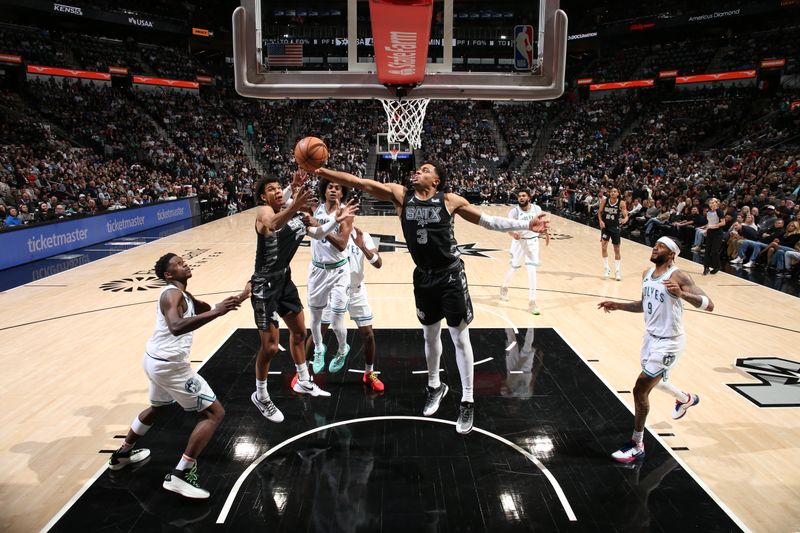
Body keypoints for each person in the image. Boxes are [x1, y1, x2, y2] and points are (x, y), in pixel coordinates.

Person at [313, 162, 549, 434]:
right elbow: (358, 182)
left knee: (460, 338)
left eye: (425, 169)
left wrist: (527, 223)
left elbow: (489, 221)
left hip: (450, 276)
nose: (418, 171)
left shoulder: (449, 201)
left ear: (436, 181)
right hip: (423, 277)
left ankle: (468, 400)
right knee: (429, 336)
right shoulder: (400, 195)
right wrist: (323, 172)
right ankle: (435, 386)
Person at [107, 253, 247, 499]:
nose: (185, 263)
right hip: (171, 367)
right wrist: (216, 313)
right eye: (179, 263)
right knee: (214, 413)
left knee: (157, 407)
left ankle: (122, 454)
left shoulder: (184, 294)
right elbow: (176, 326)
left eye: (184, 260)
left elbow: (212, 308)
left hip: (154, 360)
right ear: (168, 275)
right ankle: (180, 474)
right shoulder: (172, 294)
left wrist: (244, 295)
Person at [249, 174, 358, 424]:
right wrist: (294, 201)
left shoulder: (296, 214)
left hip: (284, 280)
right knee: (271, 347)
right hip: (265, 284)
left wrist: (336, 222)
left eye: (279, 188)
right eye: (271, 189)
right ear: (263, 196)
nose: (277, 192)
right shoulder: (264, 212)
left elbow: (318, 233)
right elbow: (273, 224)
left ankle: (304, 381)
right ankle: (261, 395)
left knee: (300, 334)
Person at [598, 236, 714, 463]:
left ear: (671, 254)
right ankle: (685, 398)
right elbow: (643, 305)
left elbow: (709, 304)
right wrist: (618, 305)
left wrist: (682, 294)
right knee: (656, 381)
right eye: (655, 245)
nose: (654, 248)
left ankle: (637, 444)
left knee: (640, 388)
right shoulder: (646, 274)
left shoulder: (679, 275)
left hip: (670, 341)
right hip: (650, 338)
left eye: (660, 246)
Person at [309, 226, 385, 391]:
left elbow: (378, 263)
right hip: (334, 288)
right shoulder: (328, 233)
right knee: (318, 331)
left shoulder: (363, 235)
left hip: (356, 290)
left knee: (368, 335)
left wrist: (362, 247)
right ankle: (301, 374)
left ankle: (369, 374)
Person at [307, 179, 355, 375]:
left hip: (339, 272)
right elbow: (306, 228)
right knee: (315, 317)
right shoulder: (314, 207)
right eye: (330, 187)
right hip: (317, 270)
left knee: (336, 321)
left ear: (342, 193)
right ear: (324, 190)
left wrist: (321, 226)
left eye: (338, 188)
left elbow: (342, 244)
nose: (334, 190)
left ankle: (343, 349)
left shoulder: (345, 213)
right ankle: (319, 349)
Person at [499, 189, 549, 314]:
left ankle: (532, 301)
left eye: (523, 196)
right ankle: (504, 287)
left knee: (531, 270)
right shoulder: (514, 212)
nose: (520, 198)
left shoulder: (537, 209)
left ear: (529, 197)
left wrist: (546, 234)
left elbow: (542, 224)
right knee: (514, 267)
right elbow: (508, 227)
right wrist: (513, 233)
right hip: (519, 242)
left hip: (532, 242)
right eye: (519, 196)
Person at [598, 187, 628, 280]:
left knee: (617, 249)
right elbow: (599, 212)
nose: (612, 193)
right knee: (603, 247)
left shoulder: (621, 203)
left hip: (615, 228)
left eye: (615, 191)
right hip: (605, 227)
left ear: (618, 193)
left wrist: (624, 220)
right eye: (611, 191)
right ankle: (606, 268)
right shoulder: (604, 201)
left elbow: (626, 215)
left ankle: (618, 271)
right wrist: (600, 221)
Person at [702, 198, 725, 275]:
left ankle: (717, 266)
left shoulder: (719, 211)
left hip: (718, 233)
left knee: (714, 251)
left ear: (717, 203)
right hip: (710, 232)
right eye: (710, 203)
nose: (711, 204)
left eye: (713, 202)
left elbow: (723, 223)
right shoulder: (708, 212)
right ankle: (706, 268)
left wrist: (714, 226)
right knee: (707, 251)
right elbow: (709, 222)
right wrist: (707, 229)